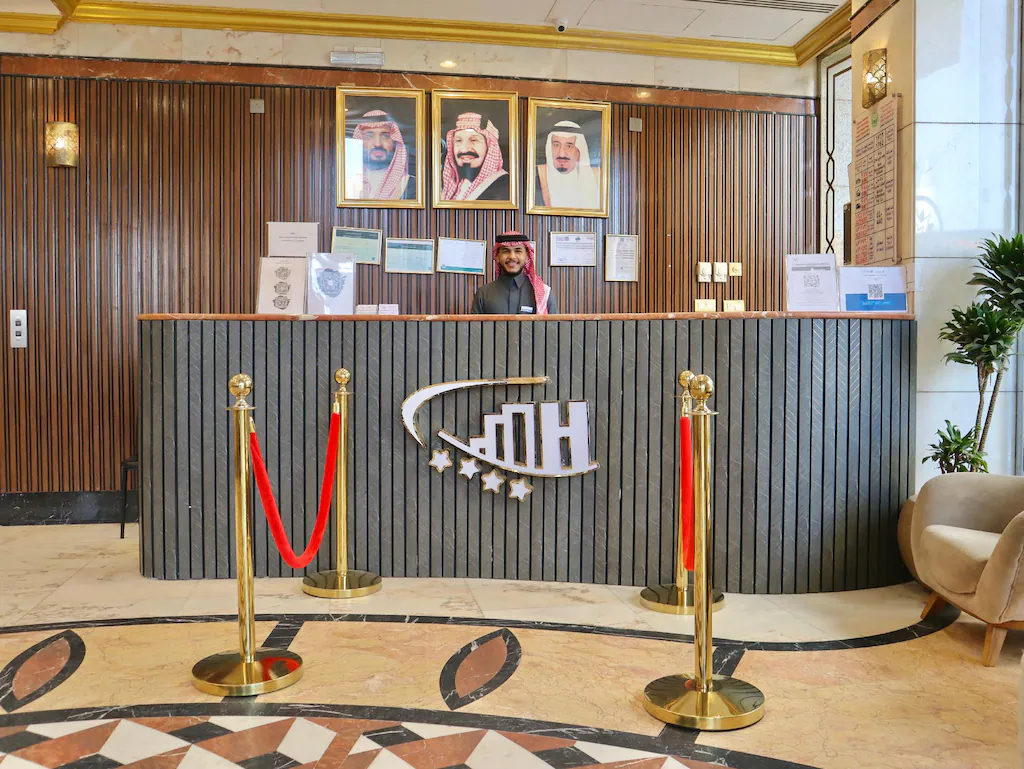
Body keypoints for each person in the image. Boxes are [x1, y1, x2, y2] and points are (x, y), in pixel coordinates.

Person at [471, 231, 558, 315]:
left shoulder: (544, 294)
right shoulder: (483, 294)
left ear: (527, 257)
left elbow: (553, 325)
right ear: (497, 257)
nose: (512, 256)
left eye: (518, 251)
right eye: (506, 251)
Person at [441, 112, 510, 202]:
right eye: (458, 140)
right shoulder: (451, 187)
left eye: (474, 140)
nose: (464, 149)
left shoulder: (504, 187)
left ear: (490, 146)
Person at [536, 120, 601, 210]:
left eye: (569, 146)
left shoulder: (598, 177)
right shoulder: (536, 175)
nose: (561, 154)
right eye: (556, 145)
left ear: (579, 150)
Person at [352, 109, 415, 200]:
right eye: (369, 136)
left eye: (385, 136)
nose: (378, 144)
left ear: (394, 142)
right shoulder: (346, 182)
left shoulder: (411, 185)